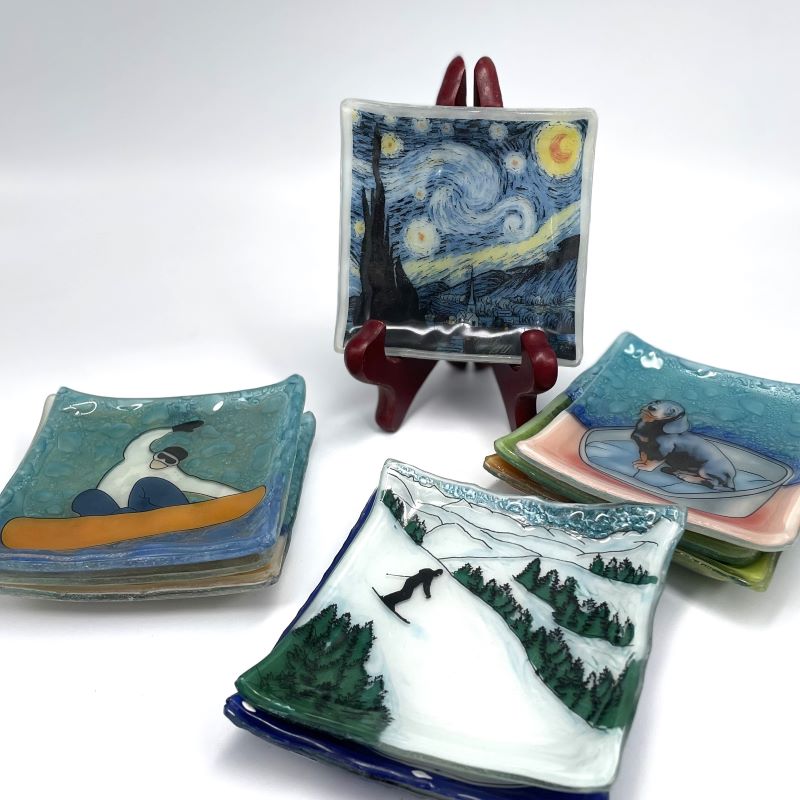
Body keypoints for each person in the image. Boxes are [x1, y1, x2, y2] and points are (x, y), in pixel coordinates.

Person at [71, 420, 240, 516]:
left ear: (173, 464)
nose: (163, 461)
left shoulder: (173, 476)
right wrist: (173, 429)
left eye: (169, 461)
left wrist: (242, 498)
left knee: (148, 484)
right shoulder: (137, 455)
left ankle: (133, 517)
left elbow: (207, 487)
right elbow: (145, 439)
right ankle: (115, 519)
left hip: (139, 511)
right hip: (113, 510)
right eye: (162, 456)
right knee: (87, 497)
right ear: (157, 454)